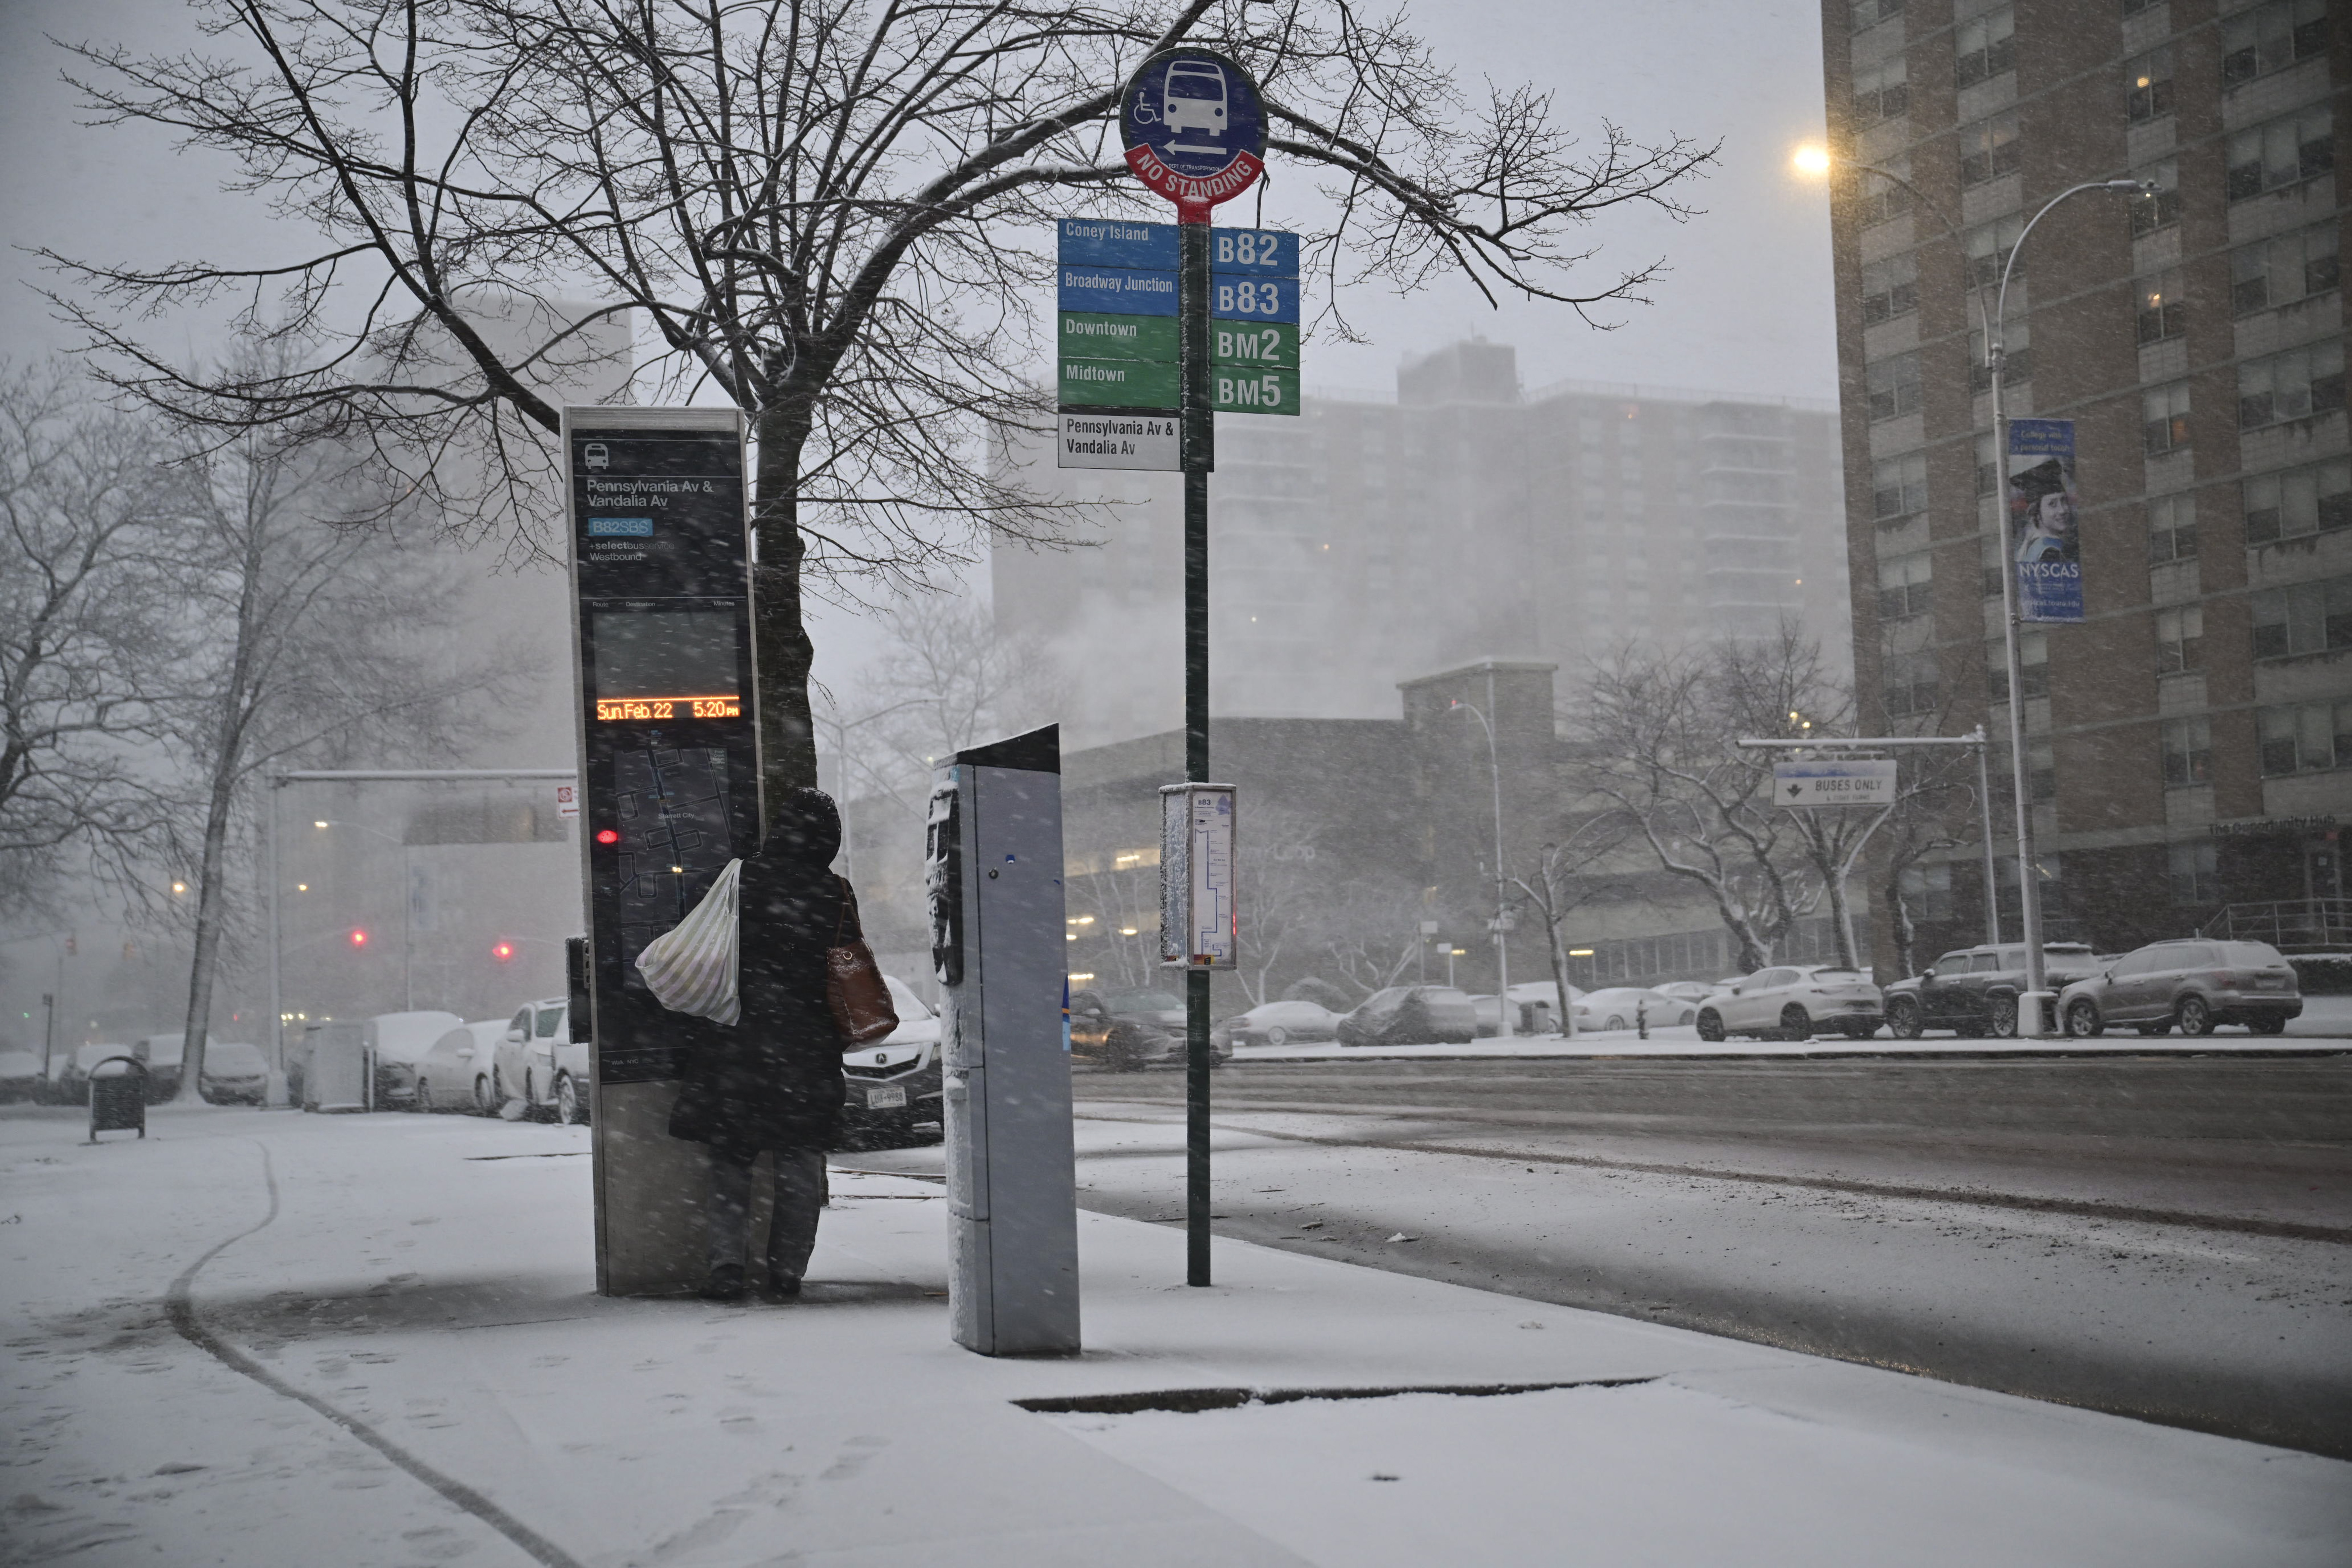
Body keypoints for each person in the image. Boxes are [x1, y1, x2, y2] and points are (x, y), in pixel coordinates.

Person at [668, 787, 856, 1302]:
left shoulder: (736, 878)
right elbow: (848, 968)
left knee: (731, 1159)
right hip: (806, 1049)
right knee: (798, 1164)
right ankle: (787, 1271)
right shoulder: (834, 892)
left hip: (736, 1042)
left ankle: (726, 1267)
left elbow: (703, 948)